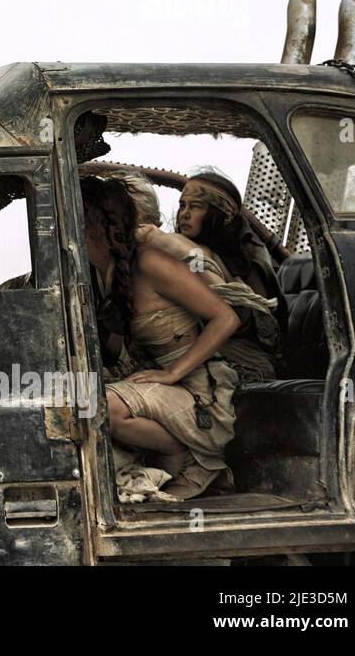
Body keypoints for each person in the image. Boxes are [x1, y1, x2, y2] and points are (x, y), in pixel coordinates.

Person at [82, 175, 241, 500]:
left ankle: (187, 452)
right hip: (165, 392)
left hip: (202, 396)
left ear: (97, 225)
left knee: (100, 405)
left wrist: (173, 372)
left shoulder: (151, 262)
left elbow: (226, 318)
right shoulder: (103, 273)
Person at [174, 170, 285, 381]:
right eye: (182, 206)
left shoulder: (245, 256)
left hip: (247, 360)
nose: (185, 214)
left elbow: (259, 323)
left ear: (219, 215)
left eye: (195, 207)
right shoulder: (190, 248)